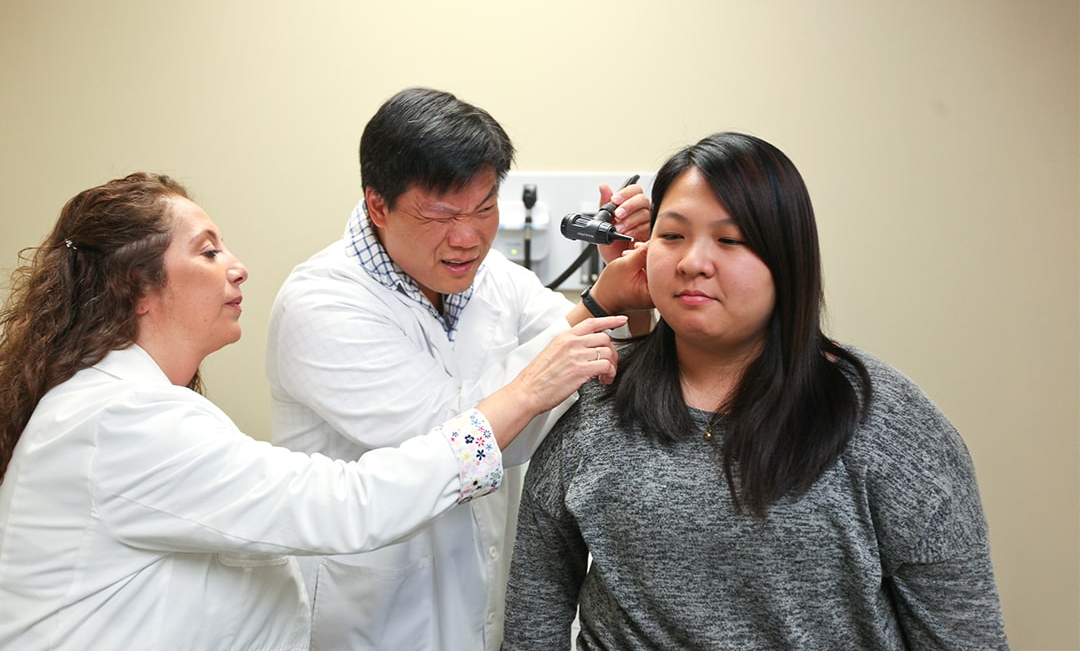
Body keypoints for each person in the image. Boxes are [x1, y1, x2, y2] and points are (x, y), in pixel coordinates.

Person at [0, 172, 626, 650]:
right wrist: (523, 393)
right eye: (209, 251)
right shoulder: (123, 422)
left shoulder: (131, 408)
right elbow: (351, 503)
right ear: (135, 286)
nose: (238, 268)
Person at [502, 132, 1010, 650]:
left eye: (730, 240)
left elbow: (964, 635)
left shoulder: (887, 424)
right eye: (672, 236)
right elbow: (531, 622)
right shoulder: (594, 395)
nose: (693, 262)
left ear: (786, 261)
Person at [267, 87, 652, 649]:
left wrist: (631, 290)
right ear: (379, 205)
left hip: (481, 611)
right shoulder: (320, 303)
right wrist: (594, 305)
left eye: (484, 208)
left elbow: (598, 370)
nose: (468, 237)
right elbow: (447, 440)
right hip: (369, 622)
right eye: (441, 214)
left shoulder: (493, 278)